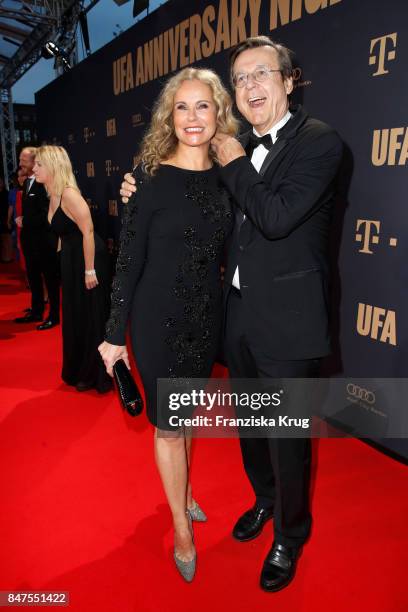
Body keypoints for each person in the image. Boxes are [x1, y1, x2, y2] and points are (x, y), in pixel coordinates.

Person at [122, 36, 343, 592]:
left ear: (289, 81)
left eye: (261, 74)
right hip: (237, 315)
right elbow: (189, 199)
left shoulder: (319, 143)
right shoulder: (233, 152)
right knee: (250, 429)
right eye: (240, 78)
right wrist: (136, 189)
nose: (250, 86)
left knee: (286, 436)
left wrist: (236, 160)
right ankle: (265, 502)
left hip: (291, 322)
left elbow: (273, 216)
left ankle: (291, 536)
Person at [98, 67, 238, 582]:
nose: (193, 117)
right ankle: (182, 527)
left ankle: (186, 493)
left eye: (203, 106)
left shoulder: (230, 174)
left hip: (205, 319)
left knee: (189, 413)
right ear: (168, 116)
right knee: (170, 424)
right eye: (182, 107)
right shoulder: (149, 176)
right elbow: (129, 261)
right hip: (156, 319)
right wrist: (115, 333)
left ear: (219, 112)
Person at [33, 145, 112, 393]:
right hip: (72, 258)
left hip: (88, 258)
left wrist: (90, 270)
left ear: (53, 167)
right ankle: (79, 369)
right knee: (76, 314)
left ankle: (94, 374)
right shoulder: (52, 193)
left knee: (90, 315)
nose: (34, 169)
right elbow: (63, 232)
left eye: (39, 165)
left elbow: (88, 231)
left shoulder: (69, 194)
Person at [14, 147, 60, 329]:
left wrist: (26, 220)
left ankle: (54, 315)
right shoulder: (26, 183)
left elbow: (47, 215)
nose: (20, 164)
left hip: (44, 241)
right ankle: (36, 310)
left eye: (23, 161)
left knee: (50, 279)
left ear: (34, 162)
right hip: (29, 241)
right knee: (32, 276)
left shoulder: (45, 183)